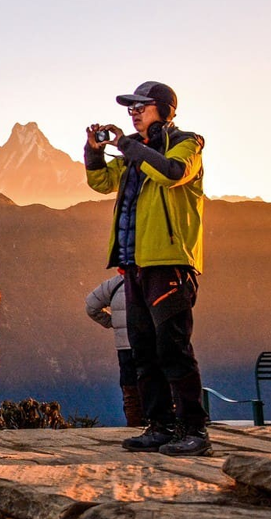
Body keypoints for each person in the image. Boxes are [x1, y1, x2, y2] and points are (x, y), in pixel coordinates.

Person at [86, 81, 209, 457]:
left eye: (142, 106)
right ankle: (160, 426)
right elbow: (100, 182)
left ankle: (194, 429)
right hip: (134, 264)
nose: (134, 112)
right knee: (144, 348)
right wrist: (94, 152)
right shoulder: (130, 159)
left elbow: (172, 172)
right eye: (131, 108)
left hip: (168, 261)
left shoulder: (187, 144)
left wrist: (128, 146)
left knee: (172, 345)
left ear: (165, 109)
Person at [85, 271, 145, 427]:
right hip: (149, 344)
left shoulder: (114, 284)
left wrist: (113, 322)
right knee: (155, 382)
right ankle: (160, 424)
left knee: (130, 386)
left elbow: (91, 307)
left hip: (124, 346)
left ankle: (134, 424)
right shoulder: (152, 281)